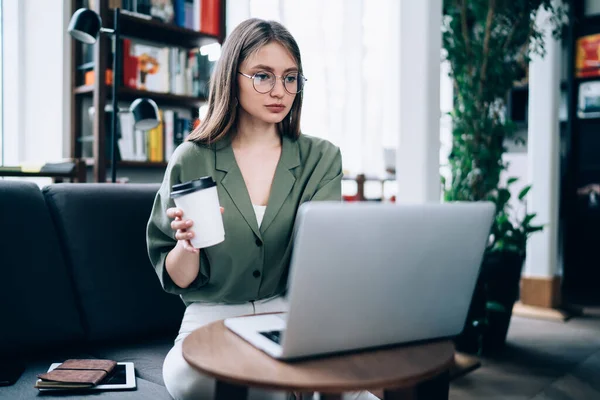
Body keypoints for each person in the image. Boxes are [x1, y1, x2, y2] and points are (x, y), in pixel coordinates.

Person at [146, 18, 343, 400]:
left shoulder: (322, 158)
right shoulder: (192, 158)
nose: (279, 91)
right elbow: (179, 279)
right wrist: (187, 248)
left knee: (354, 376)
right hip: (212, 313)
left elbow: (323, 258)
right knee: (188, 377)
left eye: (290, 78)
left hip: (288, 313)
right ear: (231, 78)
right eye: (262, 76)